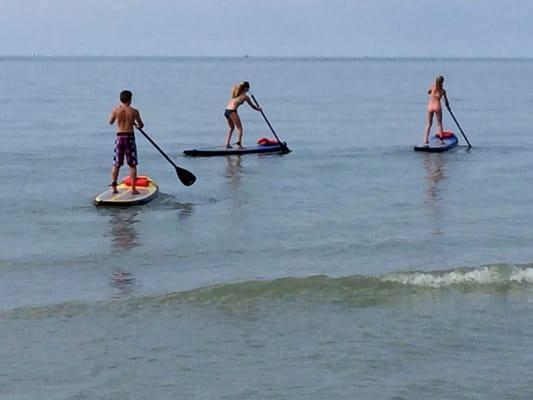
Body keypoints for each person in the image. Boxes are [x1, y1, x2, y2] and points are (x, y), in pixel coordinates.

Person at [108, 90, 144, 194]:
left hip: (119, 138)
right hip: (129, 138)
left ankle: (114, 188)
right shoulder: (134, 111)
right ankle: (133, 189)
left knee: (116, 164)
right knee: (132, 165)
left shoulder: (116, 110)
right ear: (130, 99)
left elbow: (110, 122)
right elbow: (141, 125)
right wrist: (134, 124)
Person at [223, 81, 261, 148]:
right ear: (246, 88)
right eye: (248, 88)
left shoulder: (236, 93)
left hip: (226, 111)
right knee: (240, 128)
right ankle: (239, 145)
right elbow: (252, 106)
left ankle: (227, 144)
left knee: (231, 128)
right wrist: (259, 109)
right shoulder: (245, 97)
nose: (249, 89)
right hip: (232, 111)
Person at [423, 75, 450, 145]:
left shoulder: (432, 87)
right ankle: (441, 141)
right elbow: (447, 102)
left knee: (428, 124)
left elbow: (428, 92)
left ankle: (425, 139)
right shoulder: (443, 91)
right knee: (439, 124)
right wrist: (448, 106)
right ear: (442, 82)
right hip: (437, 107)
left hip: (430, 107)